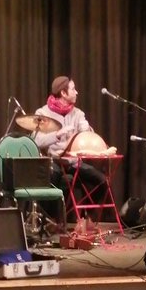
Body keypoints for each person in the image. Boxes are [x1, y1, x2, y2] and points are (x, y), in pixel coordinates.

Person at [33, 76, 112, 225]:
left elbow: (87, 134)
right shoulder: (43, 113)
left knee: (101, 181)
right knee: (51, 176)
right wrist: (57, 135)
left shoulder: (78, 113)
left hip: (74, 162)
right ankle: (48, 221)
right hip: (54, 160)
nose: (77, 92)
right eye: (73, 89)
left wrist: (87, 130)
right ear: (63, 93)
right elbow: (36, 141)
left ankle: (87, 220)